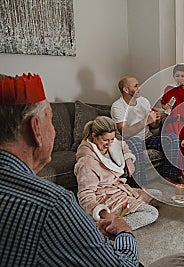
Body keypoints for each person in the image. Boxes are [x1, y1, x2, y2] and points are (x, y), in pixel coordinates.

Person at [0, 73, 141, 266]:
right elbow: (123, 265)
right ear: (35, 129)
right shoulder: (54, 204)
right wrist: (125, 231)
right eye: (49, 119)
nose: (55, 130)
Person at [74, 116, 159, 230]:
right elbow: (85, 196)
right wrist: (104, 213)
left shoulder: (111, 144)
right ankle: (107, 227)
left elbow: (123, 145)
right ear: (94, 136)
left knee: (156, 194)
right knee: (152, 213)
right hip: (104, 199)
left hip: (118, 190)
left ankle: (126, 211)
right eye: (105, 140)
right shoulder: (86, 162)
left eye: (112, 140)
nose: (109, 144)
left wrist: (128, 159)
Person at [111, 76, 180, 185]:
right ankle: (140, 185)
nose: (139, 87)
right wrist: (146, 121)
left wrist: (155, 120)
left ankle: (169, 179)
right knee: (137, 142)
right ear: (126, 90)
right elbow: (124, 133)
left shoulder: (143, 101)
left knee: (172, 138)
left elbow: (154, 126)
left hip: (148, 139)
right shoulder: (118, 107)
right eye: (136, 86)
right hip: (130, 142)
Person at [161, 64, 184, 180]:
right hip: (171, 122)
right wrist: (165, 106)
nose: (180, 78)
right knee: (174, 145)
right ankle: (176, 173)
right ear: (173, 76)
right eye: (177, 76)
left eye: (182, 76)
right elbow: (164, 104)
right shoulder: (168, 88)